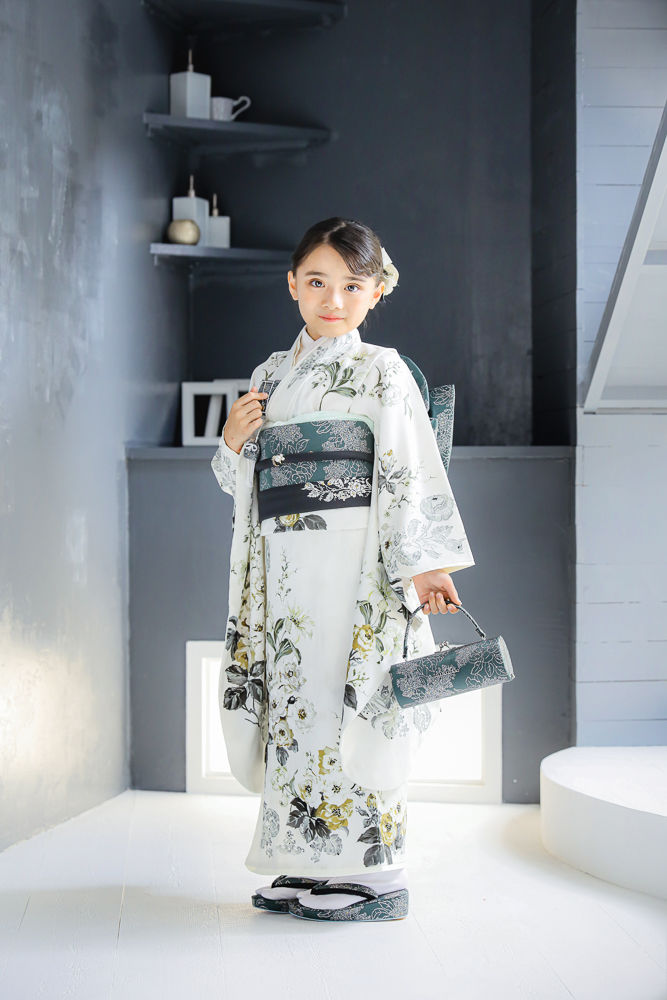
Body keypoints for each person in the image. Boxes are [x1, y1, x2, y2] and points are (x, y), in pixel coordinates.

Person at [212, 217, 474, 922]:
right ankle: (307, 860)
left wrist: (424, 568)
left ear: (376, 292)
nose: (333, 299)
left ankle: (376, 874)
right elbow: (245, 486)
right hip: (283, 569)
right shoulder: (270, 375)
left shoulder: (382, 370)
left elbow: (407, 466)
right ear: (292, 284)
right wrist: (232, 443)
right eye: (318, 281)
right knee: (296, 707)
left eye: (352, 286)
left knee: (353, 703)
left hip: (357, 566)